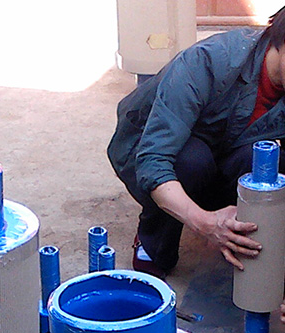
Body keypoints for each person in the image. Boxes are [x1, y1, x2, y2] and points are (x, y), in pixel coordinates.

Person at [108, 7, 285, 279]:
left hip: (226, 148)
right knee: (191, 161)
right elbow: (154, 161)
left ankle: (239, 235)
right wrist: (206, 224)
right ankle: (153, 239)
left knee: (266, 159)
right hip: (149, 150)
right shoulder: (209, 61)